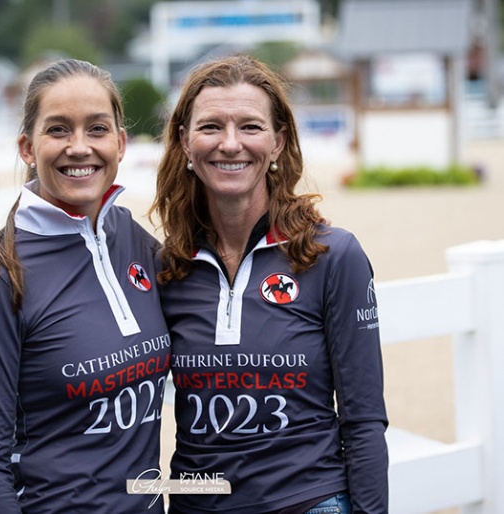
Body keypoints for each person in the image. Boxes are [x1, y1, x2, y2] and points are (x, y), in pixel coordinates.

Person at [151, 54, 388, 513]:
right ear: (184, 141)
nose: (230, 143)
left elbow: (363, 420)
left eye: (251, 127)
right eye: (210, 126)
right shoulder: (168, 266)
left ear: (278, 142)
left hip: (308, 500)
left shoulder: (332, 256)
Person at [0, 58, 171, 514]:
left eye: (96, 129)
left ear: (121, 142)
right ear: (27, 147)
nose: (79, 147)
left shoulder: (135, 241)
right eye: (58, 130)